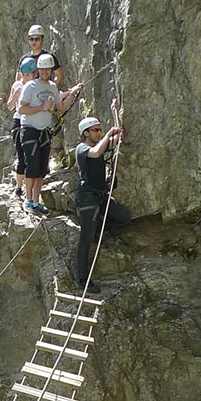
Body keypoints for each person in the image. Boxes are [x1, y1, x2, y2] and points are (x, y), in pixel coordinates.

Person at [17, 53, 82, 214]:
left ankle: (36, 200)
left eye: (48, 69)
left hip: (44, 131)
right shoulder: (30, 86)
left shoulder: (52, 87)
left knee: (41, 168)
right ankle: (28, 200)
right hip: (29, 129)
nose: (45, 72)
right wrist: (41, 108)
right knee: (31, 165)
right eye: (42, 69)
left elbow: (61, 108)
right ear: (38, 69)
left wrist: (73, 93)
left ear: (51, 70)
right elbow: (21, 108)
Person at [74, 115, 127, 288]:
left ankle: (98, 228)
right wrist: (109, 134)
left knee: (124, 217)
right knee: (85, 239)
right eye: (96, 130)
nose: (99, 133)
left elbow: (119, 138)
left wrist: (115, 112)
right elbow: (96, 153)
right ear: (86, 133)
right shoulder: (82, 148)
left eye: (99, 130)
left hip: (101, 196)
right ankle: (82, 279)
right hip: (88, 197)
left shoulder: (99, 146)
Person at [7, 56, 37, 197]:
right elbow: (10, 106)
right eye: (23, 75)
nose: (25, 78)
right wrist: (15, 95)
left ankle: (28, 189)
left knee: (31, 156)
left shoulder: (37, 85)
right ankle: (19, 188)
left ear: (34, 74)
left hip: (32, 122)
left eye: (28, 75)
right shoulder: (18, 85)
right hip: (19, 122)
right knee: (22, 155)